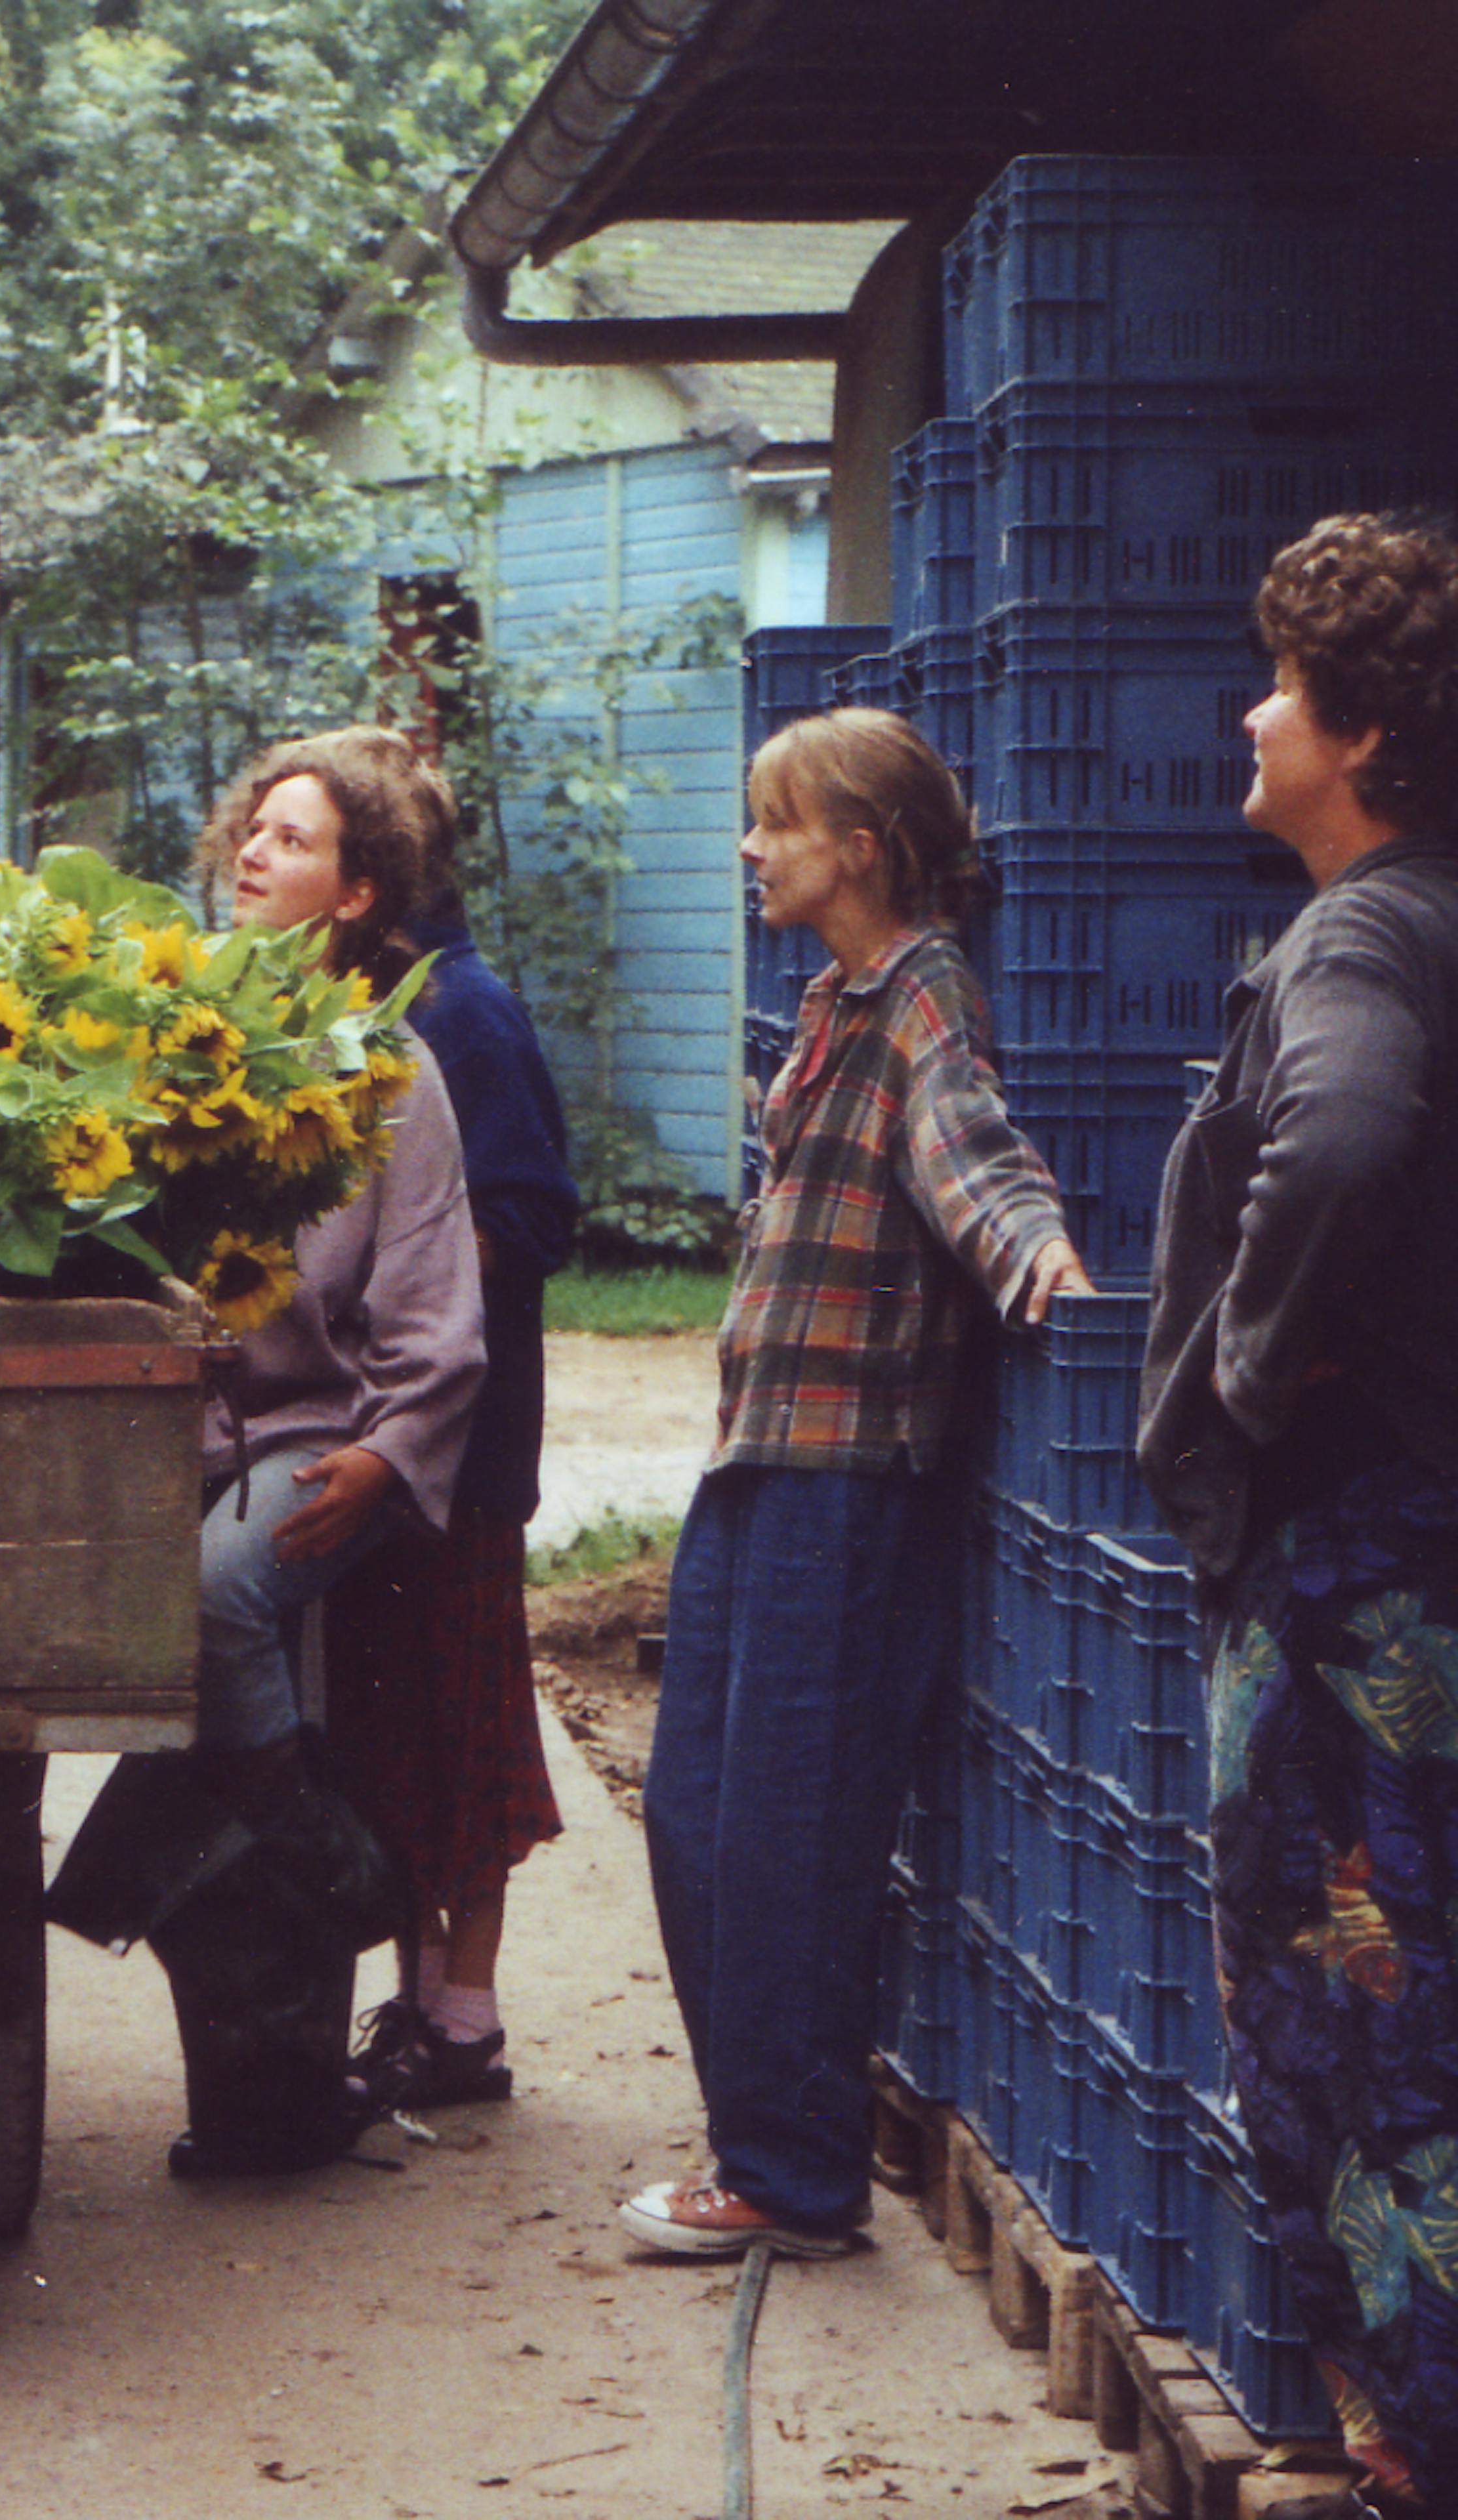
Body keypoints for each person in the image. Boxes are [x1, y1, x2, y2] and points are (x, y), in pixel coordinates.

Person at [619, 707, 1091, 2259]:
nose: (753, 847)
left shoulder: (921, 1005)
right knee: (696, 1815)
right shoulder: (837, 998)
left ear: (864, 849)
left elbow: (976, 1161)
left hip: (848, 1482)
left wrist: (1047, 1270)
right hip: (765, 1458)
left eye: (780, 821)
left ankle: (791, 2178)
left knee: (787, 1836)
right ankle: (770, 2137)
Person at [1138, 513, 1458, 2520]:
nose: (1248, 716)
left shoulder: (1356, 935)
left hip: (1354, 1597)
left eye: (1277, 685)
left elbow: (1339, 1139)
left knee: (1363, 2041)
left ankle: (1411, 2454)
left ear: (1353, 733)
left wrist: (1252, 1373)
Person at [48, 724, 485, 2179]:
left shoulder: (396, 1073)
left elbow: (437, 1313)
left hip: (326, 1438)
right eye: (254, 830)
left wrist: (389, 1452)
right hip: (170, 1434)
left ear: (359, 896)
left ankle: (322, 1865)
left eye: (294, 842)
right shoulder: (173, 1034)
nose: (254, 854)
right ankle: (268, 2032)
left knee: (220, 1599)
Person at [323, 751, 577, 2114]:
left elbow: (532, 1217)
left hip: (462, 1450)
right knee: (393, 1729)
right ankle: (419, 2001)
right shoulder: (360, 1007)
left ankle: (464, 2017)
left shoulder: (468, 1016)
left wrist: (398, 1276)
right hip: (383, 1430)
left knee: (462, 1731)